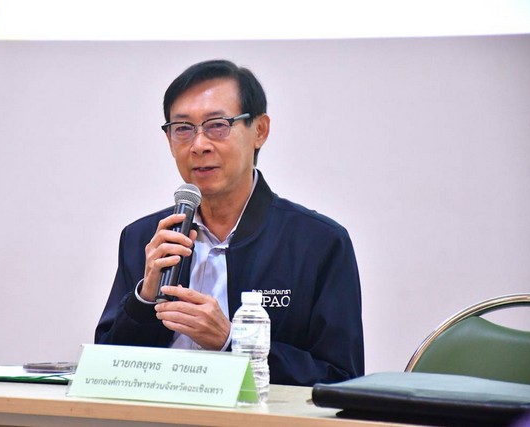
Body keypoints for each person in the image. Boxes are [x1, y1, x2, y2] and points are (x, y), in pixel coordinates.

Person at [95, 59, 364, 386]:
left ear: (259, 131)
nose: (199, 145)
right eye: (183, 129)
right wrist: (143, 301)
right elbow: (104, 371)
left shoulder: (319, 243)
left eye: (217, 125)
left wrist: (231, 342)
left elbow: (340, 379)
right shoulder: (145, 238)